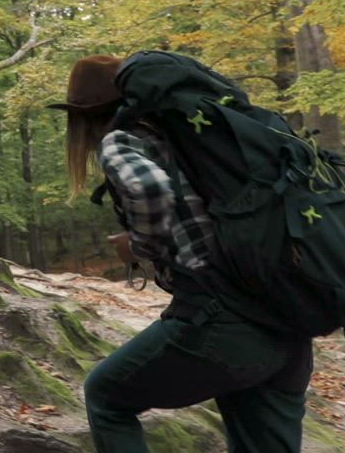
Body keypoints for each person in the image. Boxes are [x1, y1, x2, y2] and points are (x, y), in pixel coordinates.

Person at [49, 54, 313, 453]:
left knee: (105, 397)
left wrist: (138, 245)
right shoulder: (197, 140)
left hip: (223, 319)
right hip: (285, 318)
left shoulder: (121, 140)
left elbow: (148, 187)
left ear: (84, 117)